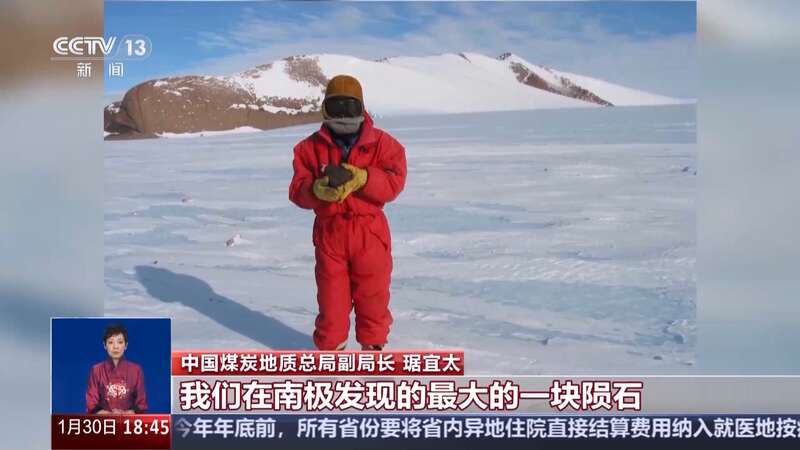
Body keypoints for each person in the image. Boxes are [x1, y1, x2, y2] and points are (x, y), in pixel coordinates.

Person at [289, 74, 407, 351]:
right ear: (325, 108)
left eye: (349, 106)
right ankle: (332, 351)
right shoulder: (308, 148)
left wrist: (365, 178)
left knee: (373, 297)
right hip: (330, 234)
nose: (343, 114)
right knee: (331, 301)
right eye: (336, 106)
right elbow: (297, 190)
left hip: (370, 233)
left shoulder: (383, 144)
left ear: (361, 107)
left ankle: (373, 348)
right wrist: (315, 190)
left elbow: (394, 182)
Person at [86, 323, 147, 414]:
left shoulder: (136, 370)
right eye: (111, 342)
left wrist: (126, 414)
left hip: (129, 421)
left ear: (126, 345)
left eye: (120, 342)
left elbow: (141, 404)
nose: (115, 347)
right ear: (104, 345)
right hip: (103, 421)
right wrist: (109, 415)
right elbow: (91, 404)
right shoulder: (96, 370)